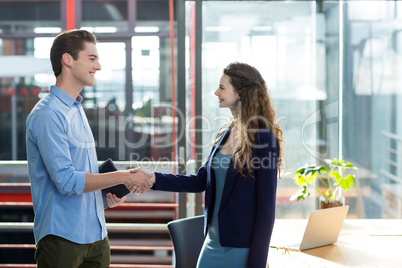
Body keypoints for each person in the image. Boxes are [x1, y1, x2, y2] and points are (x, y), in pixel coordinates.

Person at [132, 62, 284, 268]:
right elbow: (199, 181)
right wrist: (154, 179)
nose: (216, 92)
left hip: (241, 249)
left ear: (239, 93)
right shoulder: (227, 132)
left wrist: (256, 262)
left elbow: (266, 209)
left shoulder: (264, 139)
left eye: (222, 87)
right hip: (212, 243)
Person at [26, 29, 153, 268]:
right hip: (62, 238)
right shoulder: (47, 114)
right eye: (92, 58)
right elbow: (65, 181)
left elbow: (82, 169)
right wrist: (122, 176)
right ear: (68, 60)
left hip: (96, 236)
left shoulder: (76, 109)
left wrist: (105, 195)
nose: (99, 66)